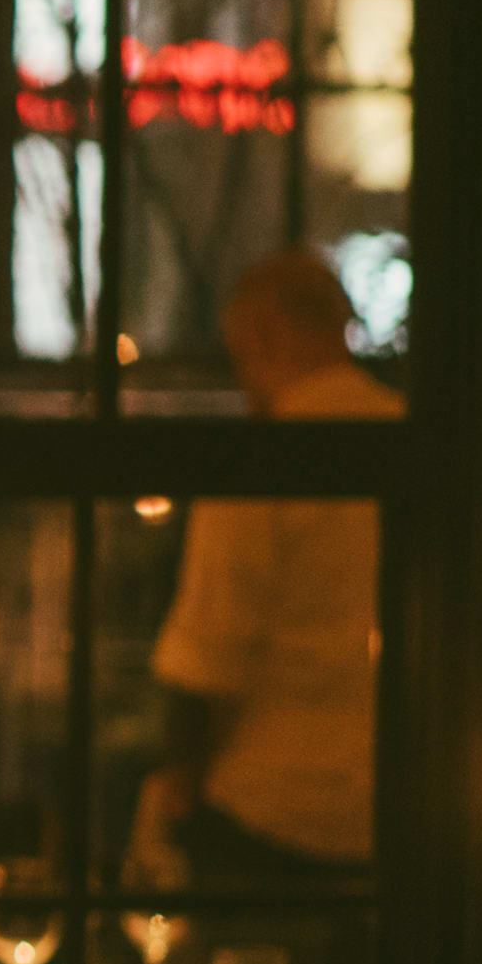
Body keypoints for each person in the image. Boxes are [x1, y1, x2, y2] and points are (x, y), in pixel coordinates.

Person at [133, 250, 394, 888]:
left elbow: (209, 654)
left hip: (266, 808)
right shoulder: (407, 440)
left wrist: (177, 781)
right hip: (400, 804)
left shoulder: (259, 460)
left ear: (256, 336)